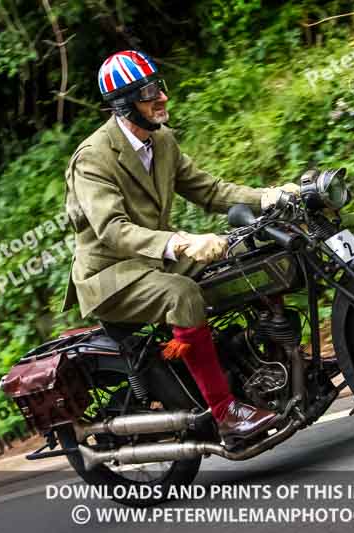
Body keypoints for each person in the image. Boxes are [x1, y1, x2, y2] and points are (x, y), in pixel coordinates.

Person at [62, 50, 299, 445]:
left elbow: (210, 191)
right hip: (110, 274)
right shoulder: (93, 159)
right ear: (124, 105)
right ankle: (225, 414)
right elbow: (113, 230)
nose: (162, 98)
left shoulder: (162, 141)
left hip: (153, 261)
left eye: (160, 87)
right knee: (183, 294)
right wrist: (182, 242)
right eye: (148, 92)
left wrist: (269, 197)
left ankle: (279, 362)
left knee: (250, 258)